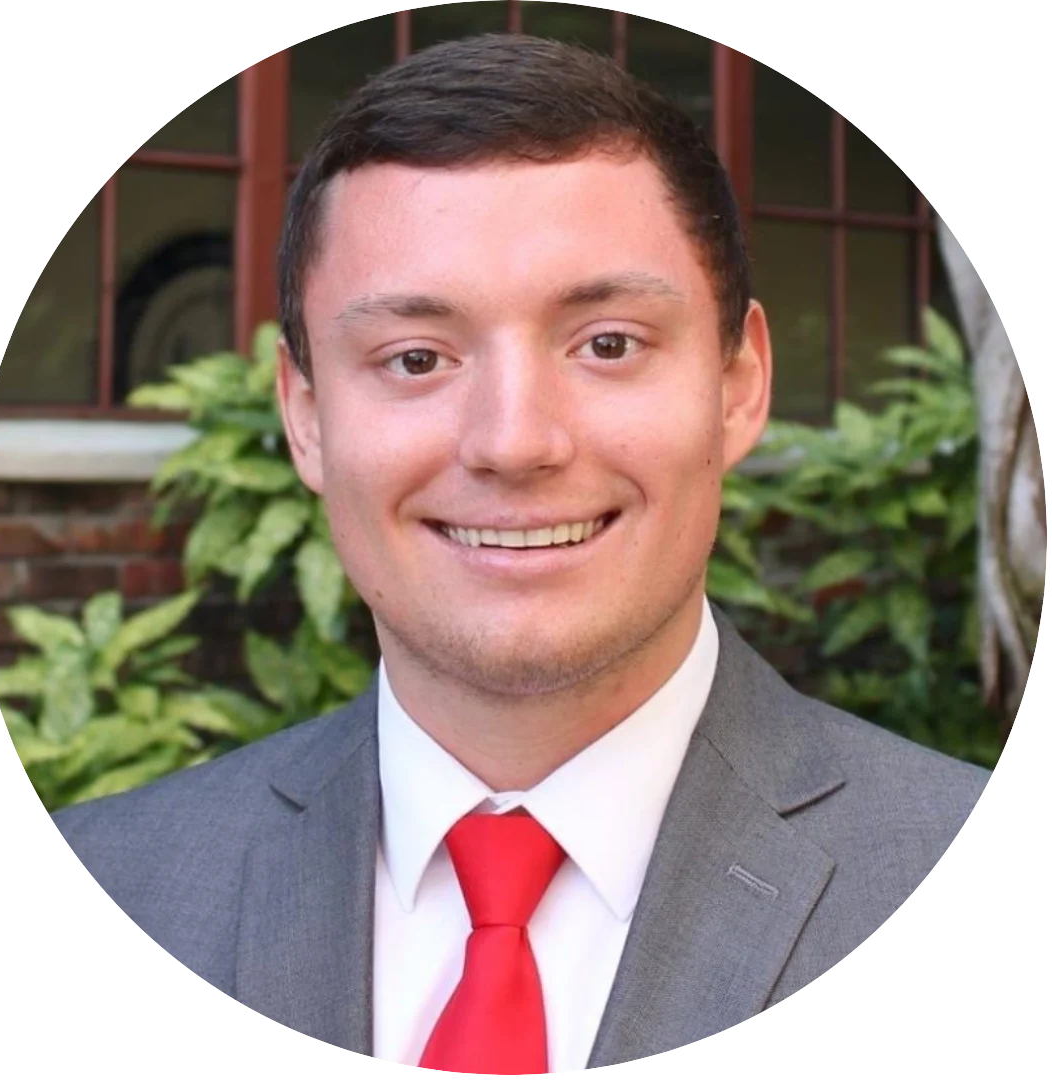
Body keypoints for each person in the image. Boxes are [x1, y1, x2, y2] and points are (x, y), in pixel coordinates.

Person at [50, 33, 991, 1071]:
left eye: (608, 344)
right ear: (307, 416)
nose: (513, 442)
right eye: (416, 358)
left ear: (738, 386)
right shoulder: (118, 879)